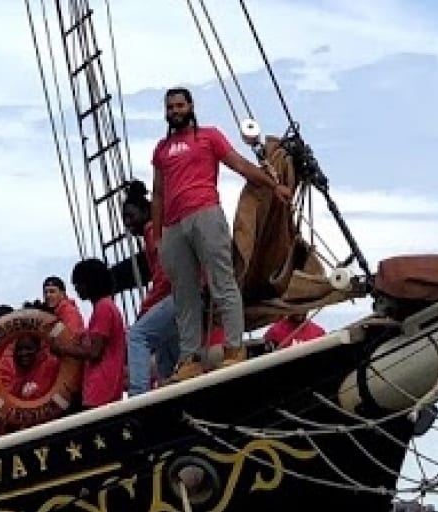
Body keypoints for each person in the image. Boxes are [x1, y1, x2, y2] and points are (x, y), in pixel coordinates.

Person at [150, 87, 293, 382]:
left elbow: (239, 165)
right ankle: (190, 357)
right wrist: (159, 235)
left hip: (205, 213)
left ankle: (233, 347)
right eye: (170, 107)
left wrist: (272, 185)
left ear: (190, 107)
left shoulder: (209, 136)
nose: (175, 111)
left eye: (179, 105)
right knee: (184, 295)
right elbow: (158, 193)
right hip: (174, 226)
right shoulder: (161, 150)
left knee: (221, 281)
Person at [122, 180, 179, 396]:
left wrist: (145, 308)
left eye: (130, 216)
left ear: (146, 210)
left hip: (177, 293)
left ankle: (138, 394)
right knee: (165, 343)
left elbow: (164, 277)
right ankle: (169, 385)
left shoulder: (152, 231)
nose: (128, 224)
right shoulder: (160, 228)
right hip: (185, 294)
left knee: (137, 335)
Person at [49, 258, 127, 410]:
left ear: (90, 283)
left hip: (100, 390)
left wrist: (62, 349)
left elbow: (94, 352)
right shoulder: (107, 306)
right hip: (106, 389)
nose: (77, 289)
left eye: (79, 284)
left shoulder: (103, 308)